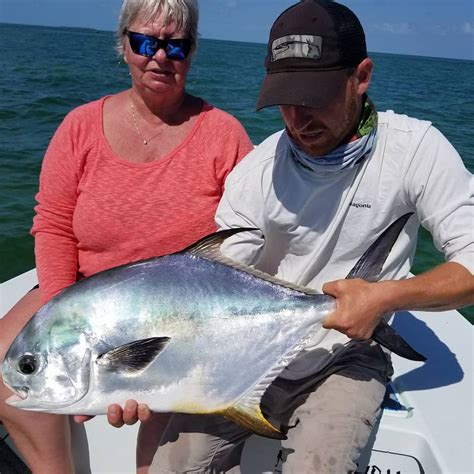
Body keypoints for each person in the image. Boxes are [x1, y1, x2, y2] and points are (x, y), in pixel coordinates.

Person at [118, 1, 473, 472]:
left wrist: (384, 297)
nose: (299, 119)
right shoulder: (256, 173)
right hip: (244, 350)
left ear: (361, 77)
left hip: (348, 355)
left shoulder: (416, 152)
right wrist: (145, 371)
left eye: (316, 97)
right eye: (286, 99)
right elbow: (220, 281)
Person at [0, 0, 252, 472]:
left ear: (193, 52)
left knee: (162, 450)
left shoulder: (225, 135)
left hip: (185, 307)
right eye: (145, 42)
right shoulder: (79, 127)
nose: (160, 56)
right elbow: (53, 223)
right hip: (84, 289)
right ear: (123, 46)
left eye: (176, 46)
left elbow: (246, 234)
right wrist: (65, 316)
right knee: (7, 372)